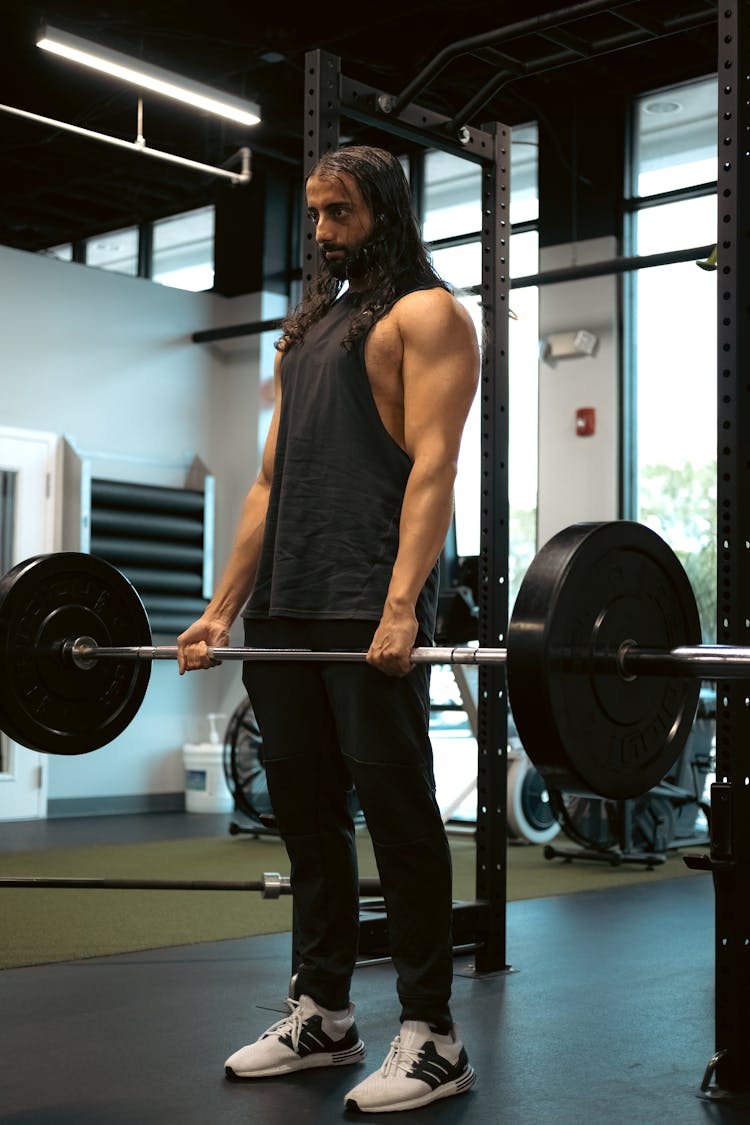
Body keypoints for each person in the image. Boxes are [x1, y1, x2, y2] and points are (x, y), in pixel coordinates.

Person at [177, 143, 480, 1114]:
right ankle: (324, 1012)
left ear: (383, 211)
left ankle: (432, 1032)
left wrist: (403, 605)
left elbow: (434, 466)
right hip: (289, 605)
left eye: (338, 214)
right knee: (306, 816)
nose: (319, 233)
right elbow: (268, 482)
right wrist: (223, 607)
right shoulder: (309, 331)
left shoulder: (427, 315)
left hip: (365, 601)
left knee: (397, 816)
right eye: (312, 214)